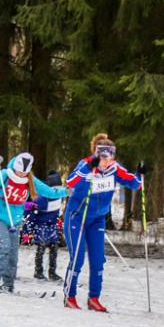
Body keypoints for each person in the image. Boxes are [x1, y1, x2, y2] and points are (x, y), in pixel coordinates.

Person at [63, 134, 143, 312]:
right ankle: (69, 296)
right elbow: (69, 182)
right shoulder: (86, 165)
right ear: (96, 155)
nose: (107, 162)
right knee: (77, 258)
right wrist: (86, 169)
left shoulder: (115, 169)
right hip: (77, 216)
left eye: (110, 158)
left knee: (98, 260)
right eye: (103, 158)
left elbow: (135, 184)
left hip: (97, 219)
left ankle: (93, 298)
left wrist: (140, 173)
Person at [0, 152, 67, 293]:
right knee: (4, 245)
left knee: (13, 252)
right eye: (19, 171)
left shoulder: (30, 180)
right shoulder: (5, 174)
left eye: (24, 172)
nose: (21, 174)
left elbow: (49, 192)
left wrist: (66, 191)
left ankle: (8, 284)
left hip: (14, 220)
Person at [24, 170, 64, 282]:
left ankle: (52, 272)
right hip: (40, 227)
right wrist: (28, 231)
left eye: (59, 188)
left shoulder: (60, 197)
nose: (57, 191)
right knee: (41, 248)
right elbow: (31, 214)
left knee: (54, 249)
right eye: (55, 189)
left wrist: (57, 223)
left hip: (52, 227)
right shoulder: (41, 199)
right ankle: (38, 271)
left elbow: (56, 212)